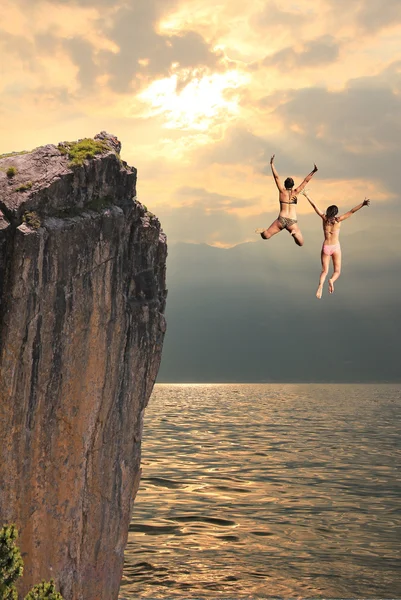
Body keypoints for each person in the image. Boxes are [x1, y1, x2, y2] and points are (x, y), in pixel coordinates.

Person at [302, 191, 370, 298]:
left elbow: (315, 206)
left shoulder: (324, 219)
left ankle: (320, 286)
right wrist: (363, 204)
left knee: (324, 270)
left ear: (328, 211)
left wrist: (307, 196)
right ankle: (332, 280)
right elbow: (351, 211)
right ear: (336, 213)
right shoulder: (339, 220)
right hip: (335, 247)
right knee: (337, 271)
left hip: (326, 247)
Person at [256, 155, 318, 246]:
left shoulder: (282, 191)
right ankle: (295, 234)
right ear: (293, 185)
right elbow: (305, 181)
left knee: (266, 236)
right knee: (301, 243)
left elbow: (276, 177)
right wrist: (313, 171)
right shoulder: (296, 192)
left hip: (281, 219)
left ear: (285, 185)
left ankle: (264, 231)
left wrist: (271, 164)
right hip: (292, 221)